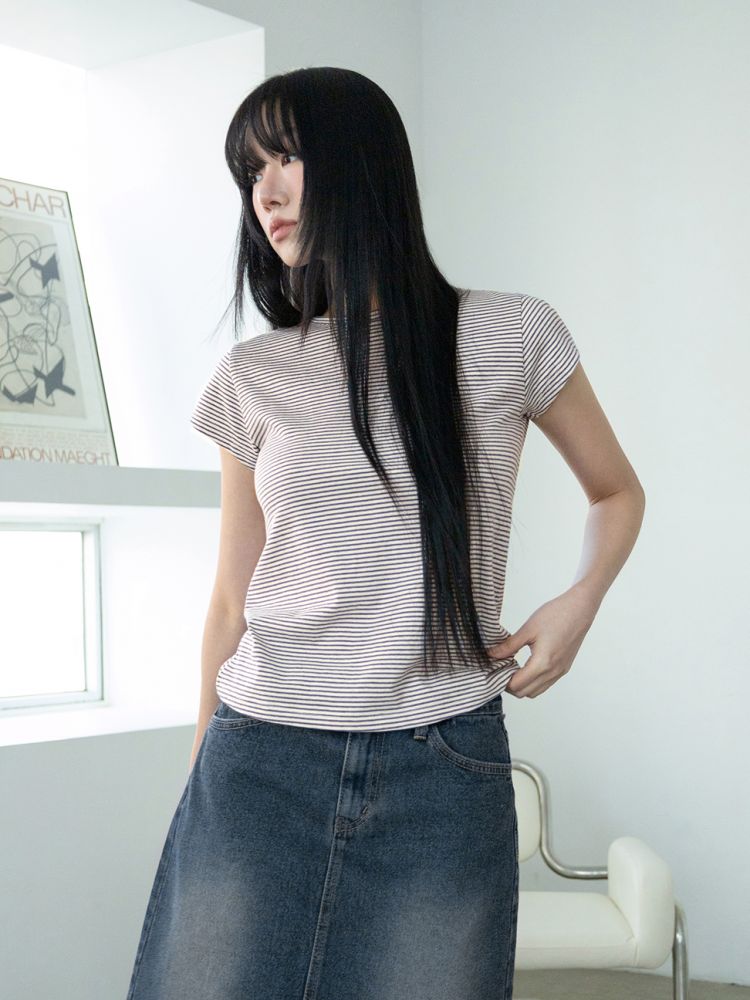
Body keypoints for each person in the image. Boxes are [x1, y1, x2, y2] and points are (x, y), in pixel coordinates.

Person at [126, 67, 646, 1000]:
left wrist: (581, 601)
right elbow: (231, 602)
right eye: (250, 171)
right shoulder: (254, 374)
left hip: (441, 770)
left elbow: (616, 492)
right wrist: (202, 779)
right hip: (259, 760)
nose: (265, 192)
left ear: (363, 163)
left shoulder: (513, 335)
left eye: (287, 157)